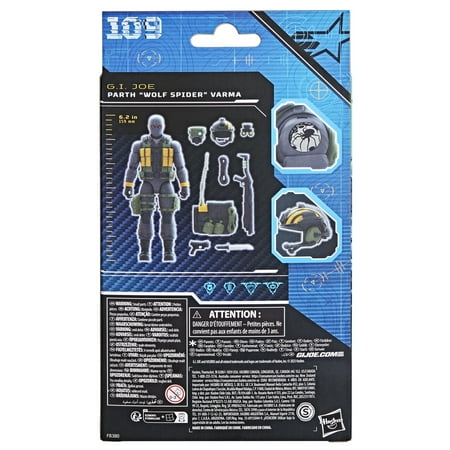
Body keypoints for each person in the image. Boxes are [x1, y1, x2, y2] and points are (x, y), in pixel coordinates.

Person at [123, 114, 190, 262]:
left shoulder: (173, 145)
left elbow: (181, 168)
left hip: (166, 183)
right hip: (147, 183)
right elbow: (132, 167)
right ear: (149, 127)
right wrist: (128, 185)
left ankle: (169, 252)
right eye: (153, 126)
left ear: (163, 127)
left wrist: (184, 186)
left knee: (168, 216)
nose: (155, 129)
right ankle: (144, 252)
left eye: (158, 126)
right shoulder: (139, 145)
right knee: (145, 216)